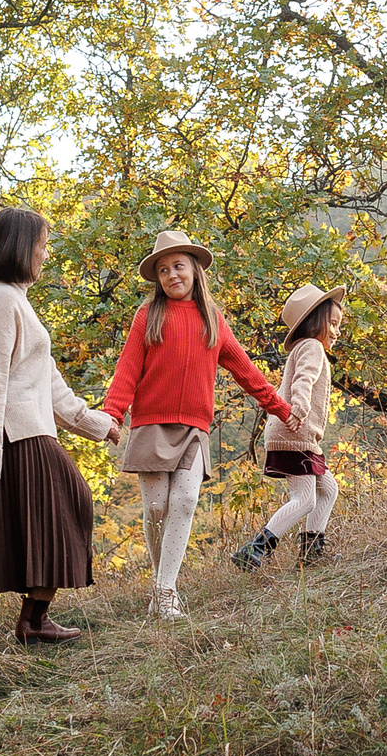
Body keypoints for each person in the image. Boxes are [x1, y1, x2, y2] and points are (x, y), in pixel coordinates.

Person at [0, 207, 114, 661]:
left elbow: (49, 385)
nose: (45, 254)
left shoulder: (16, 301)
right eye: (41, 245)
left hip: (24, 436)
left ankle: (34, 621)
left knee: (68, 508)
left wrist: (98, 425)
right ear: (19, 247)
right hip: (8, 441)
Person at [97, 230, 303, 619]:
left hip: (194, 428)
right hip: (151, 425)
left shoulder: (213, 319)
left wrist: (280, 407)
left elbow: (247, 372)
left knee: (186, 500)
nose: (172, 275)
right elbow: (127, 369)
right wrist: (113, 414)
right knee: (157, 508)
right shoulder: (148, 315)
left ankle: (166, 590)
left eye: (178, 266)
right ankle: (161, 587)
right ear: (157, 279)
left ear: (194, 269)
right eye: (163, 270)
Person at [230, 283, 344, 572]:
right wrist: (300, 408)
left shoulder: (307, 346)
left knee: (328, 489)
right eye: (332, 324)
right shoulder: (313, 347)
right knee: (304, 498)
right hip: (295, 432)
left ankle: (312, 551)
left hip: (300, 436)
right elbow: (303, 380)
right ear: (315, 322)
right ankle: (255, 549)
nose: (337, 332)